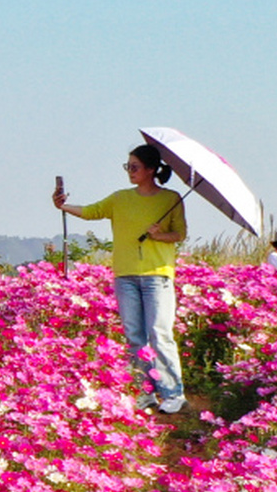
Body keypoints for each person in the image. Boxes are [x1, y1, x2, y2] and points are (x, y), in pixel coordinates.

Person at [53, 144, 189, 415]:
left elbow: (180, 234)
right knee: (135, 336)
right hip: (125, 275)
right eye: (128, 166)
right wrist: (63, 206)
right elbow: (91, 211)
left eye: (135, 167)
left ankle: (173, 392)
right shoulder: (120, 198)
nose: (130, 172)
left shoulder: (171, 199)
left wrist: (158, 234)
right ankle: (145, 392)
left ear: (151, 170)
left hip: (157, 276)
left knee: (159, 333)